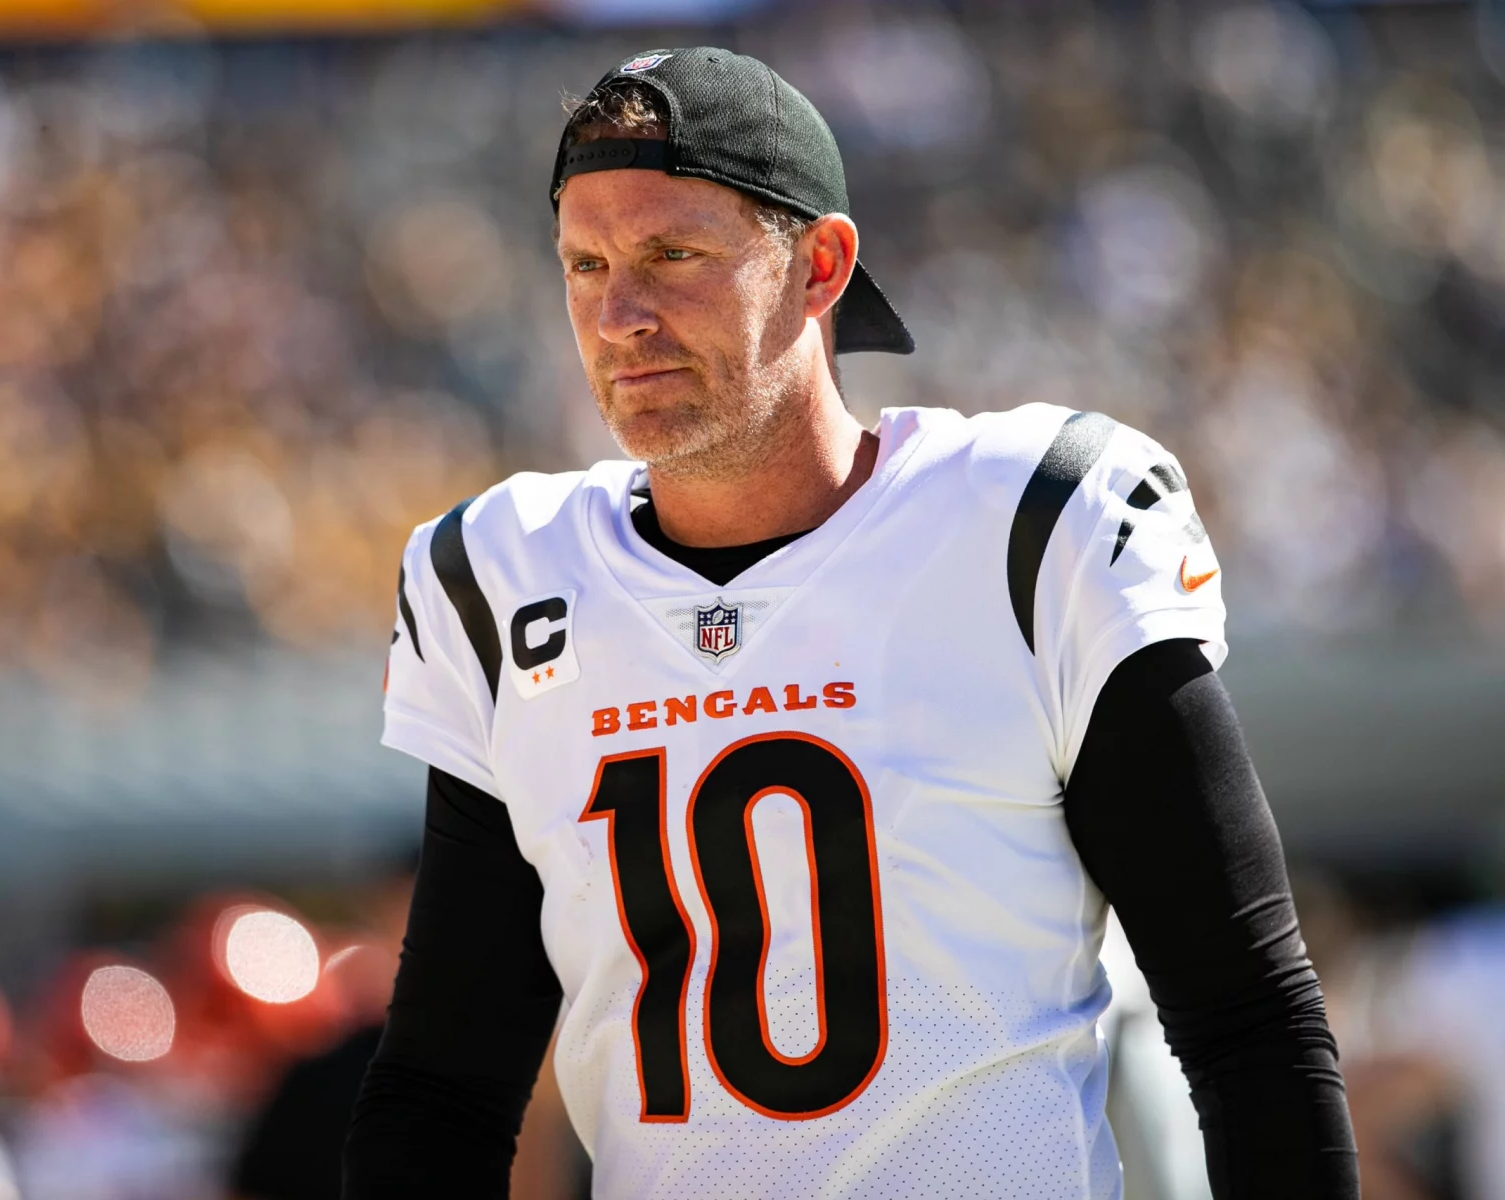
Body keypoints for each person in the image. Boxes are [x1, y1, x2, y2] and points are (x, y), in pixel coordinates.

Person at [347, 46, 1358, 1199]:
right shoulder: (496, 577)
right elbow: (444, 1086)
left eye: (673, 254)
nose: (621, 315)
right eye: (586, 264)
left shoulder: (1032, 524)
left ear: (820, 264)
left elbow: (1248, 1020)